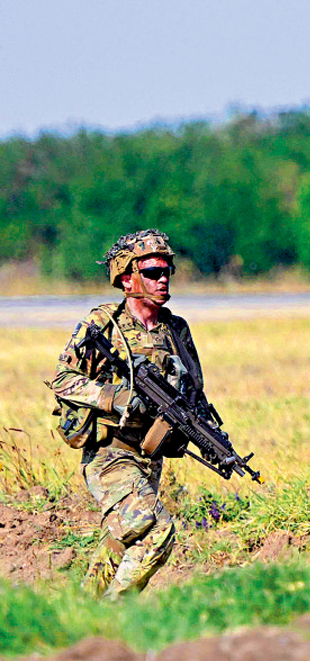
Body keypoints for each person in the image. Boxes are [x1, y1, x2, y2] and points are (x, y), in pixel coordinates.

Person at [49, 229, 204, 598]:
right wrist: (112, 396)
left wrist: (198, 431)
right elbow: (62, 379)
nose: (163, 278)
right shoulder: (105, 323)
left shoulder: (175, 329)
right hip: (109, 453)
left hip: (149, 455)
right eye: (152, 272)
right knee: (158, 527)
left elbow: (194, 392)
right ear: (126, 276)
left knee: (124, 534)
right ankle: (113, 609)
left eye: (167, 271)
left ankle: (82, 606)